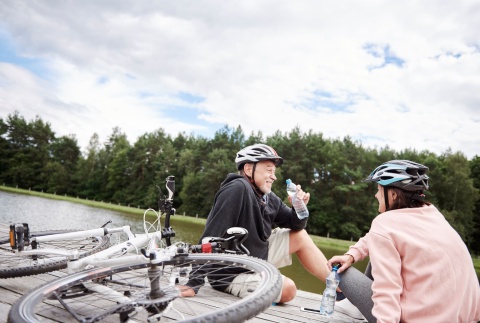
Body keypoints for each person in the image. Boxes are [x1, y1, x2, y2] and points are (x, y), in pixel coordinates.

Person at [327, 160, 480, 322]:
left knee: (340, 271)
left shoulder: (384, 224)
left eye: (379, 189)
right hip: (463, 318)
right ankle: (356, 307)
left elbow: (387, 289)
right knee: (380, 246)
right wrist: (351, 255)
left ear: (393, 194)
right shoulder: (433, 216)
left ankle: (356, 307)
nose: (376, 195)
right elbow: (375, 238)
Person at [178, 143, 330, 303]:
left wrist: (299, 208)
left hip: (255, 258)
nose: (274, 176)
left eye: (274, 172)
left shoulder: (269, 198)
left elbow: (296, 225)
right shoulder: (236, 189)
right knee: (288, 290)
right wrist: (193, 284)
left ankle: (339, 289)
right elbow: (212, 235)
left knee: (300, 236)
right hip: (229, 273)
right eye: (269, 170)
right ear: (249, 169)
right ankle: (259, 284)